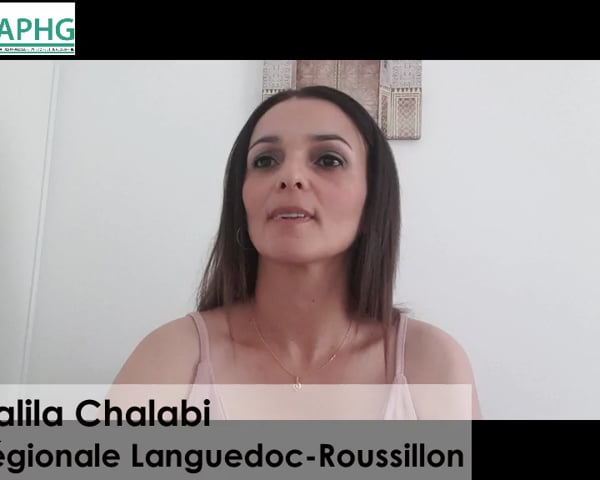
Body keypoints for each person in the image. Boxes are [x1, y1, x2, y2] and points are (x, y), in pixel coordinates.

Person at [112, 85, 482, 420]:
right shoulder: (172, 358)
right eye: (265, 161)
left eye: (328, 160)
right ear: (241, 199)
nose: (290, 176)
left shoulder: (431, 364)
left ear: (372, 199)